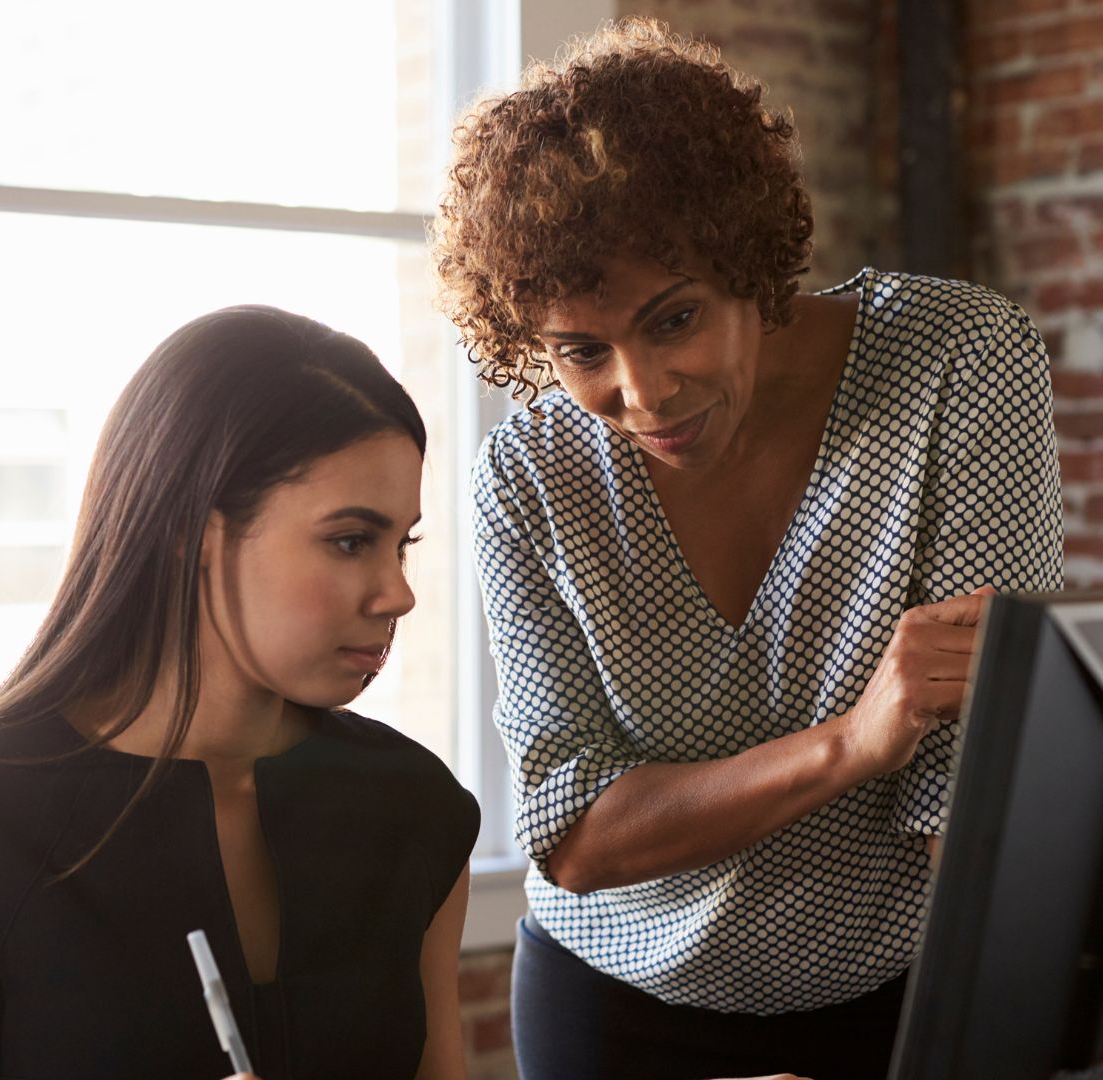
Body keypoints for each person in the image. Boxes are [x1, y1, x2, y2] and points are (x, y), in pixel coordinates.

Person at [431, 18, 1064, 1080]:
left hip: (894, 994)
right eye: (584, 352)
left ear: (750, 262)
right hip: (613, 1002)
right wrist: (853, 743)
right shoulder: (528, 479)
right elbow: (575, 830)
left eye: (674, 319)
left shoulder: (955, 362)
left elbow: (970, 783)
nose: (644, 394)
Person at [0, 307, 480, 1079]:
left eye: (400, 543)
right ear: (191, 535)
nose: (396, 594)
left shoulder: (417, 810)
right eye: (350, 540)